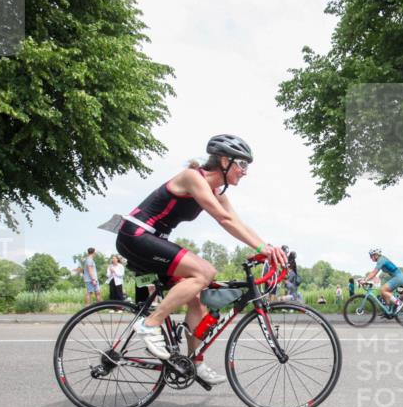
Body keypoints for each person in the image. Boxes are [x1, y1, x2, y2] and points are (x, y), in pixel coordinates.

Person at [115, 134, 287, 386]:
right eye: (242, 165)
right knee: (205, 272)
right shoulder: (192, 177)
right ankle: (150, 324)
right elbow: (223, 220)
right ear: (225, 160)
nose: (245, 172)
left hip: (153, 240)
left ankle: (194, 362)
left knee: (196, 300)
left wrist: (267, 247)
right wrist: (262, 247)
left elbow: (238, 222)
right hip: (135, 235)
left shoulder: (216, 190)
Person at [362, 248, 403, 315]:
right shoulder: (381, 259)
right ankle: (388, 310)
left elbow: (374, 273)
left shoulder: (381, 260)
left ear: (376, 255)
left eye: (371, 256)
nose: (370, 258)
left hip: (399, 277)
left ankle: (399, 303)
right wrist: (366, 279)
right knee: (384, 293)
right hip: (398, 277)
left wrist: (365, 280)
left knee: (383, 289)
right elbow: (374, 274)